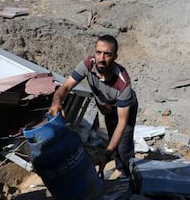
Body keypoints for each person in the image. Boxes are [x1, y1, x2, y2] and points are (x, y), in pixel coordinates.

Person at [48, 34, 138, 177]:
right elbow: (65, 87)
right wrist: (56, 101)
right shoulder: (87, 65)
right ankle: (120, 166)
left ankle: (128, 177)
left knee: (123, 145)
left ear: (115, 56)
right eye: (98, 52)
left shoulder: (123, 83)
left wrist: (107, 155)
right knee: (111, 135)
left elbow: (121, 123)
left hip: (125, 109)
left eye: (107, 54)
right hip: (107, 108)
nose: (101, 59)